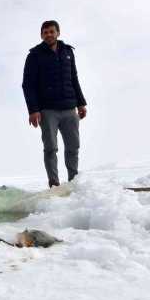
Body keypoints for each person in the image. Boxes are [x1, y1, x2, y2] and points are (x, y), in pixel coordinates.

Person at [22, 20, 87, 188]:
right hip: (47, 110)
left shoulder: (68, 52)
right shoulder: (34, 55)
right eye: (45, 32)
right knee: (51, 148)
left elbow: (74, 78)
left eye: (51, 31)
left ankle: (73, 181)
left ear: (58, 32)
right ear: (41, 35)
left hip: (69, 108)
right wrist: (33, 110)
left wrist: (81, 103)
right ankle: (54, 183)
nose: (48, 34)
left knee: (73, 146)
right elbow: (27, 85)